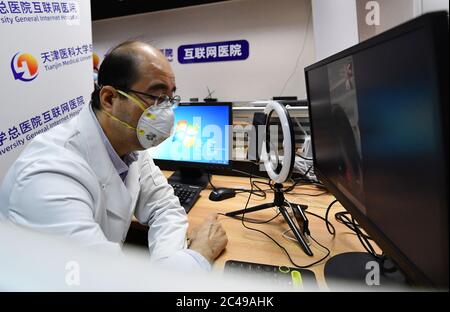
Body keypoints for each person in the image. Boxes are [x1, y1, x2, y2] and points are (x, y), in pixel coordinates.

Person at [0, 41, 228, 271]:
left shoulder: (130, 146)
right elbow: (104, 280)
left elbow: (164, 207)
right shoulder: (48, 177)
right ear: (109, 99)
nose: (167, 112)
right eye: (157, 97)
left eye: (170, 100)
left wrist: (171, 265)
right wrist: (199, 255)